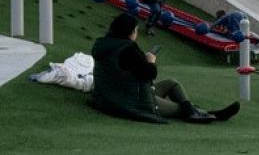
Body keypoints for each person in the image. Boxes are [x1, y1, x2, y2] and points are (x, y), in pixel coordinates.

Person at [91, 13, 239, 123]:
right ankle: (208, 114)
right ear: (130, 31)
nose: (136, 34)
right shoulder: (127, 49)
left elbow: (129, 69)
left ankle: (197, 112)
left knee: (172, 83)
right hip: (132, 101)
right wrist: (150, 61)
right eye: (135, 31)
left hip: (116, 94)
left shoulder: (103, 44)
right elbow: (149, 74)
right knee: (180, 108)